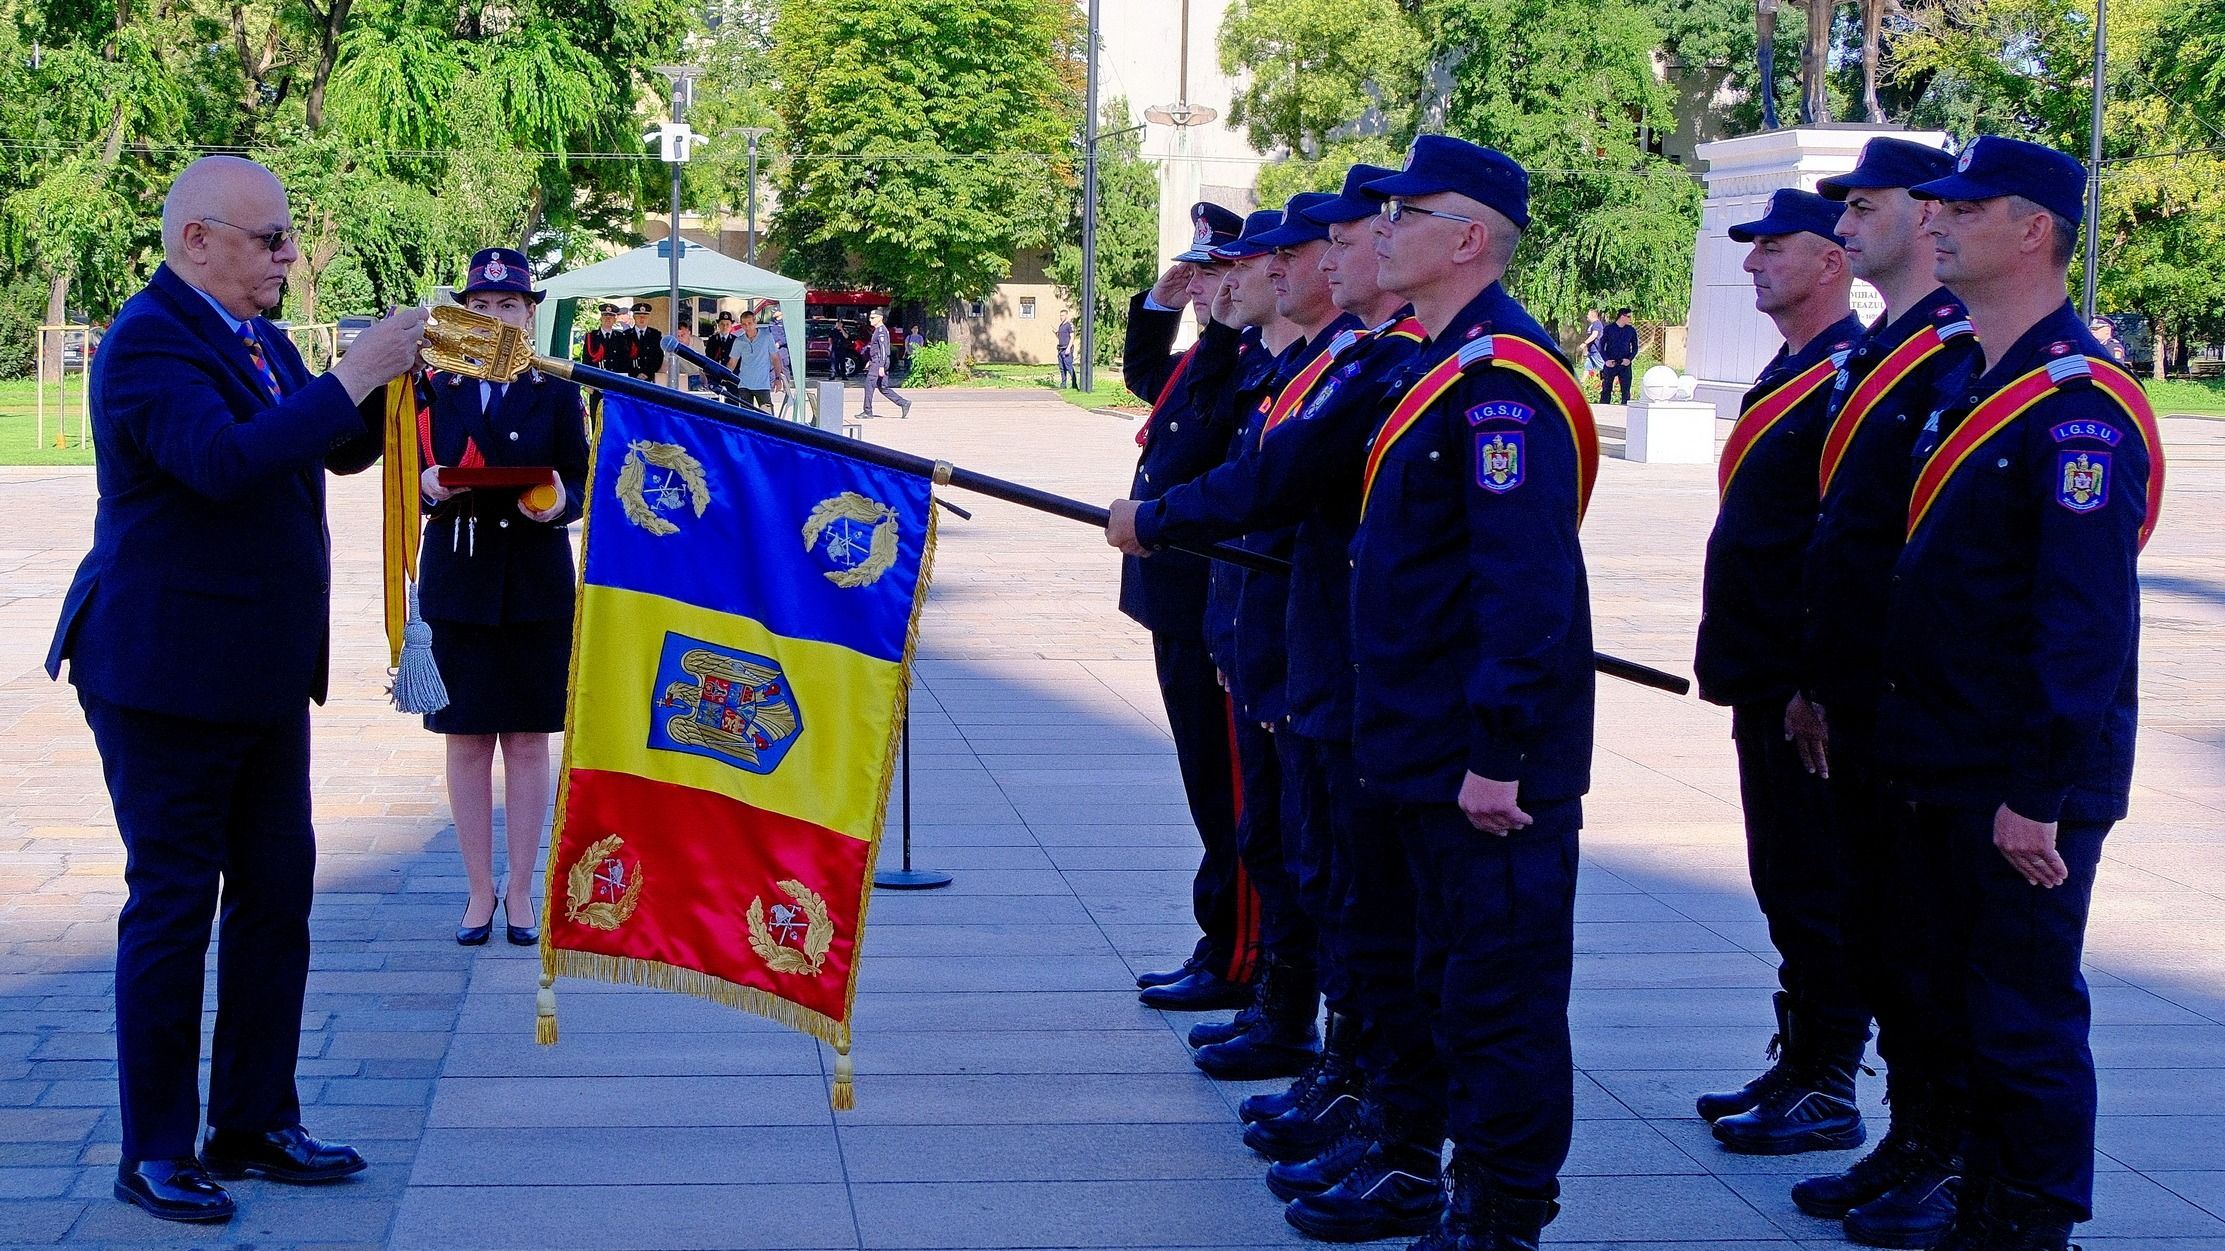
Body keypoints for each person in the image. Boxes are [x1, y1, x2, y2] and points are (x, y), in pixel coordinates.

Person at [44, 154, 428, 1224]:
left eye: (288, 237)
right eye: (271, 241)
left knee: (277, 899)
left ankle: (253, 1120)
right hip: (164, 673)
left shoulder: (249, 334)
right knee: (174, 907)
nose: (288, 257)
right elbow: (223, 461)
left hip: (256, 673)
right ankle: (155, 1149)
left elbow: (333, 447)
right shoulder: (148, 340)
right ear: (196, 240)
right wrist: (351, 374)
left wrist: (392, 378)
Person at [1107, 164, 1432, 1182]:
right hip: (1261, 634)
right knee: (1289, 848)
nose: (1295, 268)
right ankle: (1336, 1063)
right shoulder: (1311, 364)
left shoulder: (1377, 365)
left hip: (1321, 657)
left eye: (1296, 252)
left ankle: (1351, 1073)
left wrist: (1157, 521)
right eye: (1288, 252)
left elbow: (1265, 482)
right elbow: (1167, 408)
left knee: (1335, 878)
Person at [1315, 134, 1599, 1250]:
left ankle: (1502, 1214)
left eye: (1403, 214)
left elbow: (1522, 589)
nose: (1380, 231)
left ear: (1468, 237)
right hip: (1421, 743)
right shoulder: (1444, 361)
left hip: (1481, 763)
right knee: (1441, 979)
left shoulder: (1502, 386)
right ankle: (1438, 1177)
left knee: (1499, 998)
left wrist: (1498, 750)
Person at [1882, 136, 2161, 1251]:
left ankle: (2033, 1223)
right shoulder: (1974, 383)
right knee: (1955, 1006)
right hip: (1945, 757)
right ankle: (1981, 1204)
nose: (1936, 221)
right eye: (1937, 205)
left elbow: (2081, 622)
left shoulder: (2075, 408)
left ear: (2033, 230)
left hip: (2018, 776)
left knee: (2021, 1016)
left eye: (1968, 206)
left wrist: (2038, 790)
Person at [1790, 137, 1981, 1247]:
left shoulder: (1953, 354)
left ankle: (1945, 1154)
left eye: (1868, 204)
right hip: (1858, 688)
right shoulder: (1882, 348)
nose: (1846, 221)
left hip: (1914, 695)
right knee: (1875, 931)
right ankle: (1909, 1141)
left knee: (1924, 946)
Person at [1692, 189, 1870, 1155]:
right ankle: (1799, 1058)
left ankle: (1830, 1078)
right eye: (1750, 247)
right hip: (1759, 666)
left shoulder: (1847, 372)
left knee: (1815, 880)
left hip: (1798, 678)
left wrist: (1813, 679)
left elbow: (1836, 543)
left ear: (1830, 263)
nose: (1754, 262)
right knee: (1783, 877)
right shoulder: (1788, 368)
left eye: (1774, 247)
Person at [414, 248, 589, 949]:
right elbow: (401, 473)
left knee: (524, 740)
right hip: (460, 578)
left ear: (529, 315)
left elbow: (577, 478)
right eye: (479, 308)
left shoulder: (553, 389)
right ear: (462, 314)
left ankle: (521, 888)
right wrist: (426, 487)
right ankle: (477, 891)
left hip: (533, 578)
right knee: (464, 741)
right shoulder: (431, 385)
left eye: (507, 306)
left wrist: (557, 506)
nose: (493, 317)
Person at [1118, 200, 1260, 1012]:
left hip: (1211, 597)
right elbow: (1151, 383)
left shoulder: (1246, 360)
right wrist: (1159, 305)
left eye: (1213, 276)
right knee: (1207, 782)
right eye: (1196, 277)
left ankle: (1239, 950)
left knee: (1227, 785)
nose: (1202, 291)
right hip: (1177, 597)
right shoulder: (1213, 350)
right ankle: (1226, 941)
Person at [728, 306, 785, 410]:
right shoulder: (739, 341)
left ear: (755, 322)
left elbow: (776, 358)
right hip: (744, 384)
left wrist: (778, 378)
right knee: (746, 418)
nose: (747, 326)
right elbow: (732, 363)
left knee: (767, 417)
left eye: (749, 323)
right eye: (744, 324)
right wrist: (723, 376)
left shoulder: (766, 336)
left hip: (762, 385)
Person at [860, 307, 911, 418]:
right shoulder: (878, 330)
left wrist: (881, 365)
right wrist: (870, 361)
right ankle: (903, 403)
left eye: (873, 318)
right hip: (877, 361)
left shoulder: (881, 331)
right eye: (870, 318)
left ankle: (867, 412)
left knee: (869, 385)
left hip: (879, 362)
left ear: (880, 318)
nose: (870, 320)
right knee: (883, 387)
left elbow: (883, 349)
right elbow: (877, 348)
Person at [1597, 308, 1639, 403]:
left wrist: (1629, 359)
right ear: (1622, 316)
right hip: (1611, 363)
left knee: (1626, 391)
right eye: (1628, 317)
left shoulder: (1631, 330)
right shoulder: (1609, 329)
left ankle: (1625, 410)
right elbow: (1601, 346)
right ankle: (1603, 410)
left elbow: (1635, 347)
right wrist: (1606, 360)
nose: (1630, 319)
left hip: (1624, 364)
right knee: (1606, 389)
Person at [582, 303, 631, 373]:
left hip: (615, 377)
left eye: (611, 316)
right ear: (601, 318)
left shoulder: (620, 337)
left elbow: (625, 360)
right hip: (596, 377)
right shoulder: (591, 336)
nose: (608, 319)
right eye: (605, 316)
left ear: (614, 320)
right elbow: (586, 360)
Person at [628, 300, 664, 381]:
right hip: (631, 378)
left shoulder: (655, 335)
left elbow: (658, 358)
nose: (642, 319)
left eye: (645, 316)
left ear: (649, 317)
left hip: (649, 378)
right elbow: (623, 358)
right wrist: (636, 374)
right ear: (634, 317)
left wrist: (647, 373)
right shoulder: (626, 335)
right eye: (639, 316)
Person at [671, 324, 707, 391]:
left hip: (698, 376)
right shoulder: (672, 344)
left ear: (689, 333)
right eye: (678, 336)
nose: (680, 338)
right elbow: (665, 364)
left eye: (683, 335)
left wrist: (705, 382)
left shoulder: (698, 342)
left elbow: (703, 363)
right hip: (682, 377)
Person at [1579, 308, 1604, 384]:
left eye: (1588, 314)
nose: (1587, 316)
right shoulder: (1593, 324)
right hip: (1591, 351)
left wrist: (1584, 343)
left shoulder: (1597, 324)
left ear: (1593, 315)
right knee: (1587, 367)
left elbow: (1594, 335)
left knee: (1603, 367)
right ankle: (1581, 384)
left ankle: (1611, 383)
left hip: (1596, 351)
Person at [1056, 311, 1078, 388]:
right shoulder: (1061, 326)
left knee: (1069, 366)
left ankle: (1074, 384)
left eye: (1062, 315)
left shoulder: (1069, 325)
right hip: (1060, 349)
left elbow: (1072, 337)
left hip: (1066, 349)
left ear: (1066, 315)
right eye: (1060, 315)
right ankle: (1063, 384)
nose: (1061, 317)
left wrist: (1068, 348)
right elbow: (1061, 337)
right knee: (1062, 368)